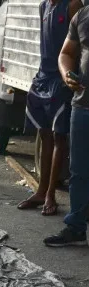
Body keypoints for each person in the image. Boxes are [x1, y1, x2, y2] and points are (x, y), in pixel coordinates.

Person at [18, 0, 82, 216]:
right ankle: (41, 190)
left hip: (60, 79)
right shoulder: (43, 6)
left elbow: (77, 47)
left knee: (59, 138)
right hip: (42, 76)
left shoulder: (73, 5)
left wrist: (71, 76)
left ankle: (50, 194)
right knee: (44, 134)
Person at [46, 4, 89, 245]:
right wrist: (66, 73)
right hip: (83, 106)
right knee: (79, 172)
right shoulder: (82, 15)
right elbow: (66, 53)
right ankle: (75, 227)